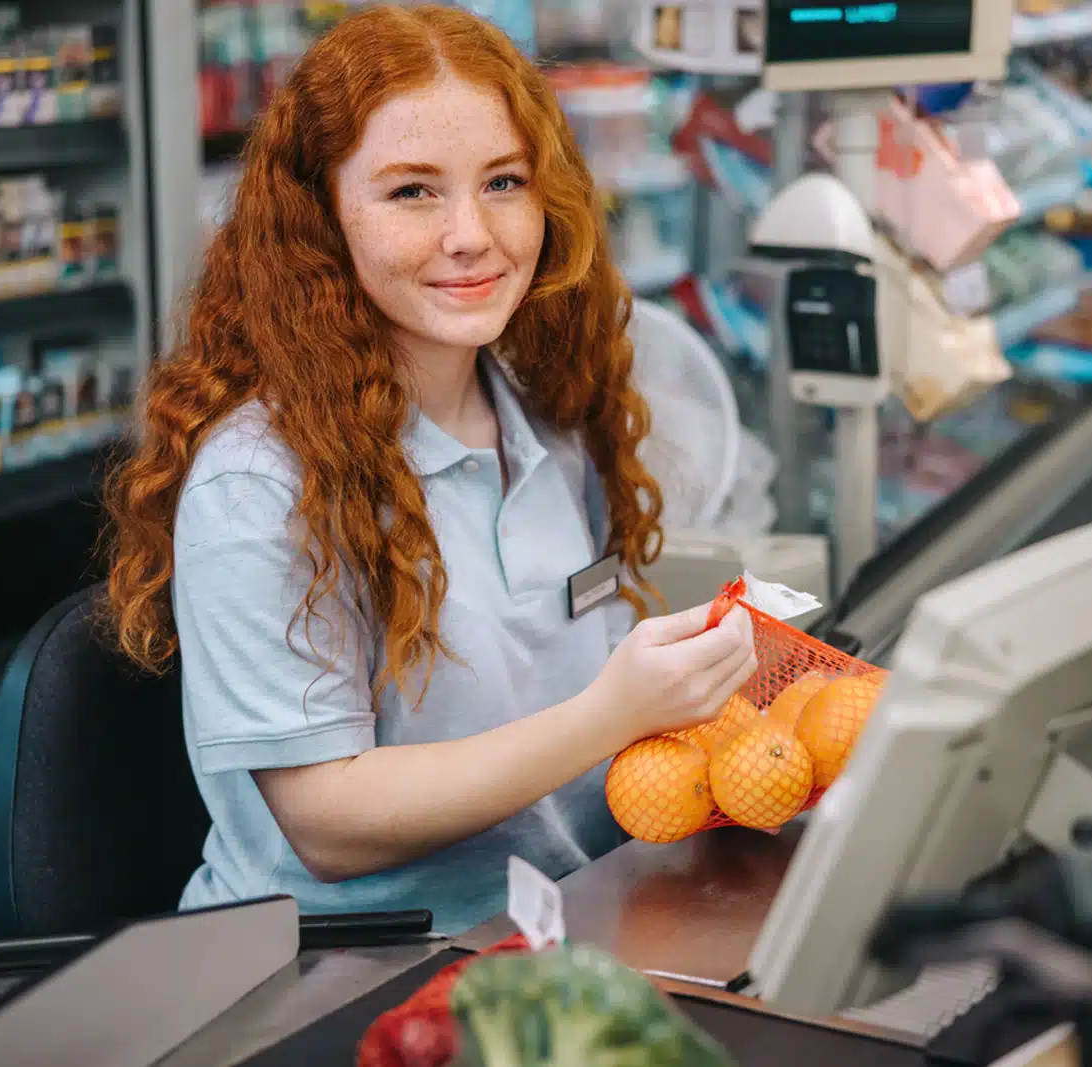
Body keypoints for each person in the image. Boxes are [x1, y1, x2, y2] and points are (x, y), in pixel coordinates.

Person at [102, 4, 757, 933]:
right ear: (321, 218)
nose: (471, 235)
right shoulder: (260, 480)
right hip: (343, 972)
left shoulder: (549, 419)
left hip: (560, 922)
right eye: (413, 191)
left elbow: (578, 675)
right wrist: (617, 712)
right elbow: (328, 818)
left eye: (503, 181)